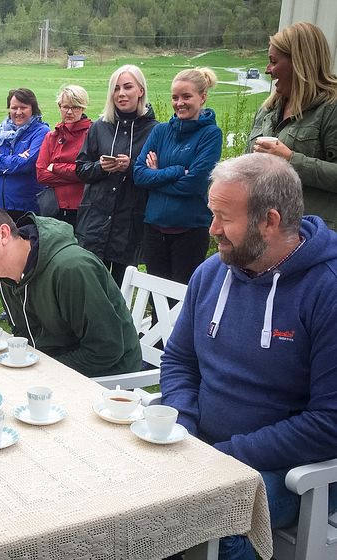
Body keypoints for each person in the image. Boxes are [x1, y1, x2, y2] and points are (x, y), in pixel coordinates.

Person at [160, 153, 337, 560]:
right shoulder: (212, 273)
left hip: (290, 475)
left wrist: (226, 456)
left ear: (270, 221)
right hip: (200, 447)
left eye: (224, 217)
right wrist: (182, 426)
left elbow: (329, 423)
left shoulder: (326, 290)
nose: (212, 230)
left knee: (214, 525)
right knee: (124, 499)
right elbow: (179, 362)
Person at [0, 205, 141, 378]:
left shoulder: (71, 268)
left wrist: (39, 370)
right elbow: (24, 332)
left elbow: (106, 349)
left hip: (108, 377)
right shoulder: (1, 273)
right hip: (49, 365)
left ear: (4, 233)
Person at [134, 67, 222, 285]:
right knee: (156, 299)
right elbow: (139, 175)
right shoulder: (160, 131)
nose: (179, 102)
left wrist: (156, 176)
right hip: (153, 229)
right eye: (175, 97)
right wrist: (174, 172)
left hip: (189, 232)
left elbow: (194, 184)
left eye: (186, 96)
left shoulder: (211, 135)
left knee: (181, 301)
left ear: (202, 97)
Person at [249, 21, 337, 231]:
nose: (267, 69)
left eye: (273, 61)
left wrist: (290, 160)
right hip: (267, 231)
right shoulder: (268, 109)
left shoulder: (331, 108)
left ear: (299, 63)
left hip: (311, 236)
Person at [75, 65, 158, 286]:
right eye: (116, 88)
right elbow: (81, 169)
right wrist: (101, 167)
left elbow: (155, 178)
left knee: (120, 290)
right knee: (90, 287)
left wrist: (130, 168)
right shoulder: (99, 127)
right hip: (95, 222)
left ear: (140, 90)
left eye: (128, 87)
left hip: (129, 223)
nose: (121, 94)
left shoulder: (155, 130)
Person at [0, 88, 50, 222]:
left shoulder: (41, 132)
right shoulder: (2, 131)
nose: (18, 112)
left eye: (23, 107)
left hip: (27, 209)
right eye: (14, 108)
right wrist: (16, 159)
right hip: (2, 207)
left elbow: (26, 164)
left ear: (33, 109)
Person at [35, 84, 92, 228]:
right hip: (54, 208)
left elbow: (90, 172)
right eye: (65, 107)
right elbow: (41, 174)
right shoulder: (52, 136)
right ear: (60, 106)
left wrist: (55, 167)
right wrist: (76, 174)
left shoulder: (92, 134)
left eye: (75, 107)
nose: (70, 112)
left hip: (84, 207)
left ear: (83, 108)